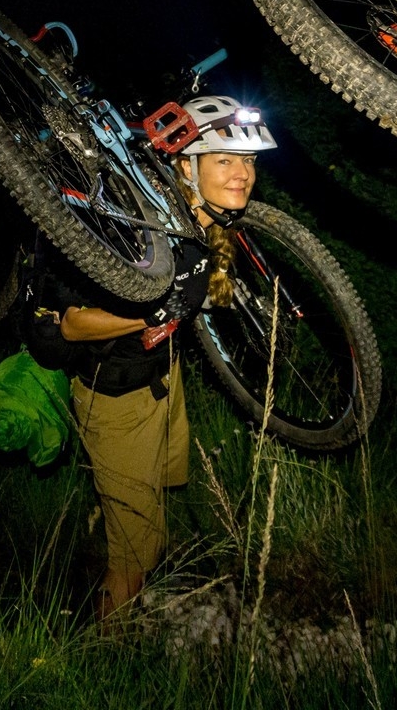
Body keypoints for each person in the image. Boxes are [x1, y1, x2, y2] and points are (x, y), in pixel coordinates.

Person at [29, 94, 276, 620]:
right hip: (116, 398)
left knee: (151, 503)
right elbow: (73, 323)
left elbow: (214, 285)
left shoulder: (204, 215)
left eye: (250, 162)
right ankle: (105, 649)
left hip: (166, 379)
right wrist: (158, 311)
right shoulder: (126, 227)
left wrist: (217, 279)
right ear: (187, 168)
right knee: (139, 551)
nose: (243, 176)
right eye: (225, 162)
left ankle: (107, 534)